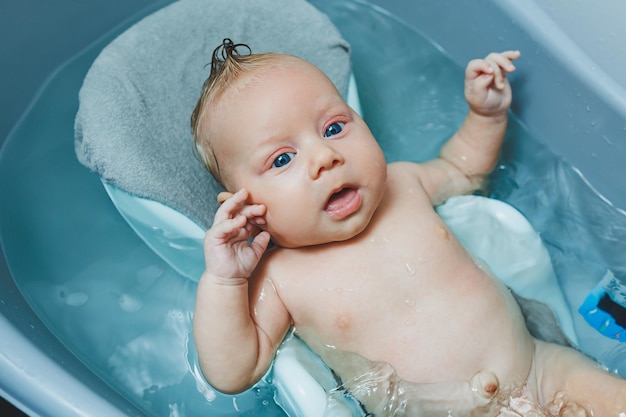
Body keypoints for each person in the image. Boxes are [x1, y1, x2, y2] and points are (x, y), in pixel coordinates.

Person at [191, 39, 626, 416]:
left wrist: (486, 116)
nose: (325, 156)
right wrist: (225, 279)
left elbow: (463, 169)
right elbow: (235, 371)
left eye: (334, 127)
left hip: (543, 370)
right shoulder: (279, 279)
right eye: (282, 159)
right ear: (245, 208)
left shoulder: (402, 184)